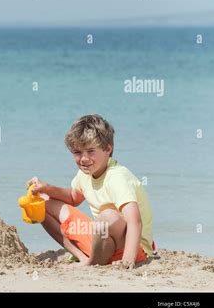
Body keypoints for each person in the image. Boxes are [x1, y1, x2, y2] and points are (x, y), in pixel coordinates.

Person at [26, 114, 153, 268]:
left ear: (108, 149)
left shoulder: (117, 177)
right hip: (101, 245)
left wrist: (127, 260)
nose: (84, 159)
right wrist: (46, 189)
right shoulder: (85, 174)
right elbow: (73, 198)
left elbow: (135, 221)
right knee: (43, 204)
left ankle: (92, 262)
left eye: (91, 151)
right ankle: (82, 257)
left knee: (107, 217)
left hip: (131, 249)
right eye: (77, 152)